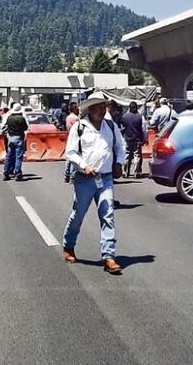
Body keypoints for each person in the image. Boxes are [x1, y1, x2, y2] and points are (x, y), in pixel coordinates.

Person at [61, 91, 125, 275]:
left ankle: (109, 256)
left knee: (108, 215)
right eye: (97, 106)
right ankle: (68, 244)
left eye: (103, 106)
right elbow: (70, 152)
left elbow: (120, 147)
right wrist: (84, 166)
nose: (101, 110)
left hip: (105, 179)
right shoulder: (79, 127)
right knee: (79, 214)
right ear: (90, 108)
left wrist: (119, 163)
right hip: (84, 179)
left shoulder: (111, 127)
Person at [2, 104, 29, 181]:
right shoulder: (21, 118)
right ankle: (17, 174)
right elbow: (25, 127)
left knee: (9, 156)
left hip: (10, 138)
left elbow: (6, 127)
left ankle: (5, 173)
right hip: (18, 138)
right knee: (18, 157)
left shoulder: (9, 118)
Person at [120, 101, 146, 179]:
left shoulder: (125, 116)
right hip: (137, 139)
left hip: (127, 138)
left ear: (129, 108)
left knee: (127, 155)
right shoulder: (140, 117)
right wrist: (144, 139)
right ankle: (136, 172)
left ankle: (125, 172)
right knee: (136, 155)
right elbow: (143, 129)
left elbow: (122, 128)